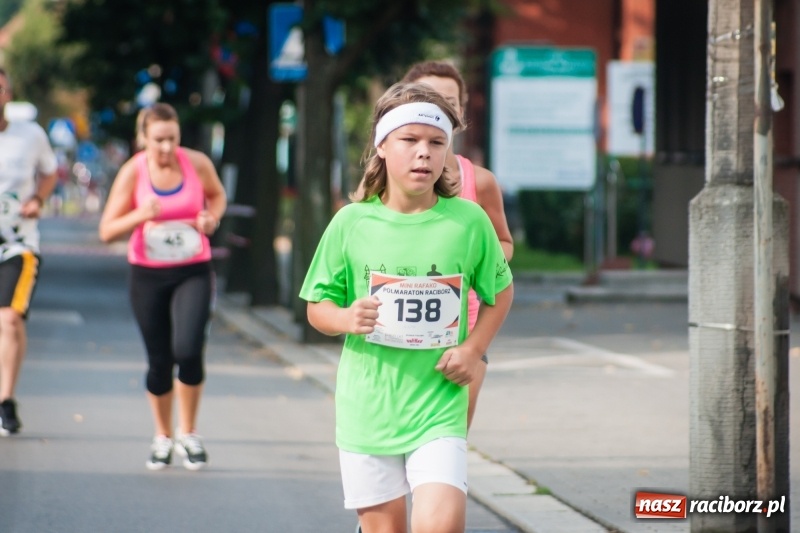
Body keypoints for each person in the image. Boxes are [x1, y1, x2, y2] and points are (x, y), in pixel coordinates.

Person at [300, 82, 513, 533]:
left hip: (438, 405)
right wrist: (345, 317)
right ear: (381, 146)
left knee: (441, 525)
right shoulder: (351, 222)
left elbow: (501, 293)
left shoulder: (468, 221)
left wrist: (473, 350)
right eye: (409, 140)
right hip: (368, 408)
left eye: (437, 143)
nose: (424, 153)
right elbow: (317, 306)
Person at [99, 103, 226, 470]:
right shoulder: (133, 172)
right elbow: (107, 230)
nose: (167, 148)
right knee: (159, 360)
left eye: (172, 138)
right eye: (159, 140)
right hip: (148, 274)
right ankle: (162, 437)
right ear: (144, 138)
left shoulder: (197, 163)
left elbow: (216, 196)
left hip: (193, 270)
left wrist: (211, 217)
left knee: (188, 350)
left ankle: (188, 433)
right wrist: (142, 214)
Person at [401, 60, 515, 429]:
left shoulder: (478, 182)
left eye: (448, 101)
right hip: (396, 337)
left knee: (449, 439)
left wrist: (478, 263)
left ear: (460, 112)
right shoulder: (385, 183)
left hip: (463, 333)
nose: (438, 110)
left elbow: (503, 244)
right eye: (426, 99)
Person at [0, 68, 58, 435]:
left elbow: (50, 172)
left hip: (18, 242)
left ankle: (4, 400)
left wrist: (38, 198)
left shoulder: (30, 135)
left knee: (8, 319)